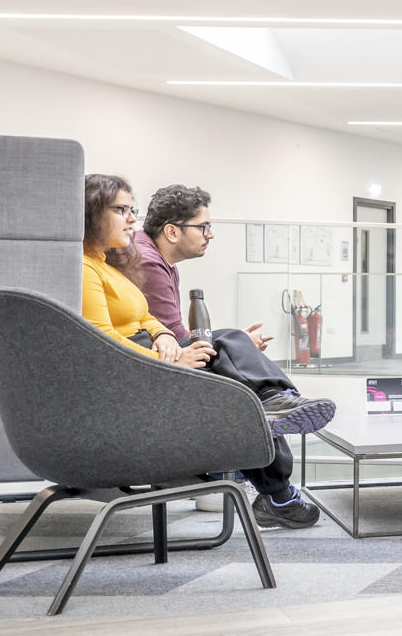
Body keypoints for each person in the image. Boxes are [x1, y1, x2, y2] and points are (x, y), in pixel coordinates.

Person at [86, 176, 326, 529]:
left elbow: (148, 319)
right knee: (230, 356)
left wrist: (164, 335)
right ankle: (277, 461)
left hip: (149, 360)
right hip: (139, 374)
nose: (131, 220)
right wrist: (172, 351)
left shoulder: (110, 264)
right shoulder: (112, 266)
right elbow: (101, 341)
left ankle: (277, 466)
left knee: (236, 368)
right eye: (121, 210)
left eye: (132, 210)